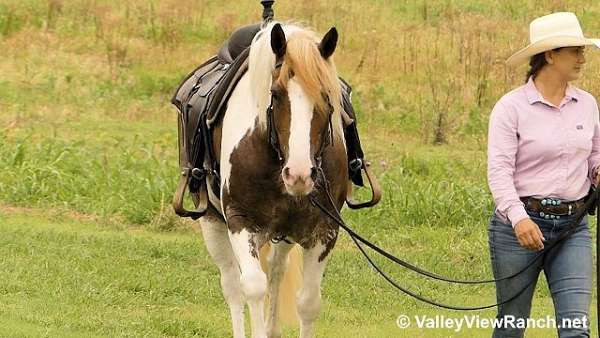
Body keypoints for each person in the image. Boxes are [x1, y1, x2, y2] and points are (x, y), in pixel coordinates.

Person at [487, 12, 600, 338]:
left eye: (583, 51)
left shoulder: (588, 104)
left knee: (576, 329)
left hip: (573, 227)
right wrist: (519, 219)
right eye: (574, 51)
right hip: (517, 229)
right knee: (512, 325)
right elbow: (499, 172)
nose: (582, 58)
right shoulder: (511, 108)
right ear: (550, 55)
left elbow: (594, 157)